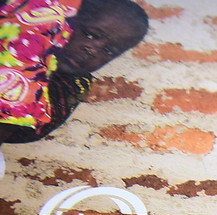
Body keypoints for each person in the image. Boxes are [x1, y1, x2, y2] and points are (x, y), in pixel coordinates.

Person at [0, 0, 148, 144]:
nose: (92, 50)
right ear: (65, 21)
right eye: (90, 35)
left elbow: (23, 132)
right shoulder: (13, 41)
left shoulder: (72, 86)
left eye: (109, 50)